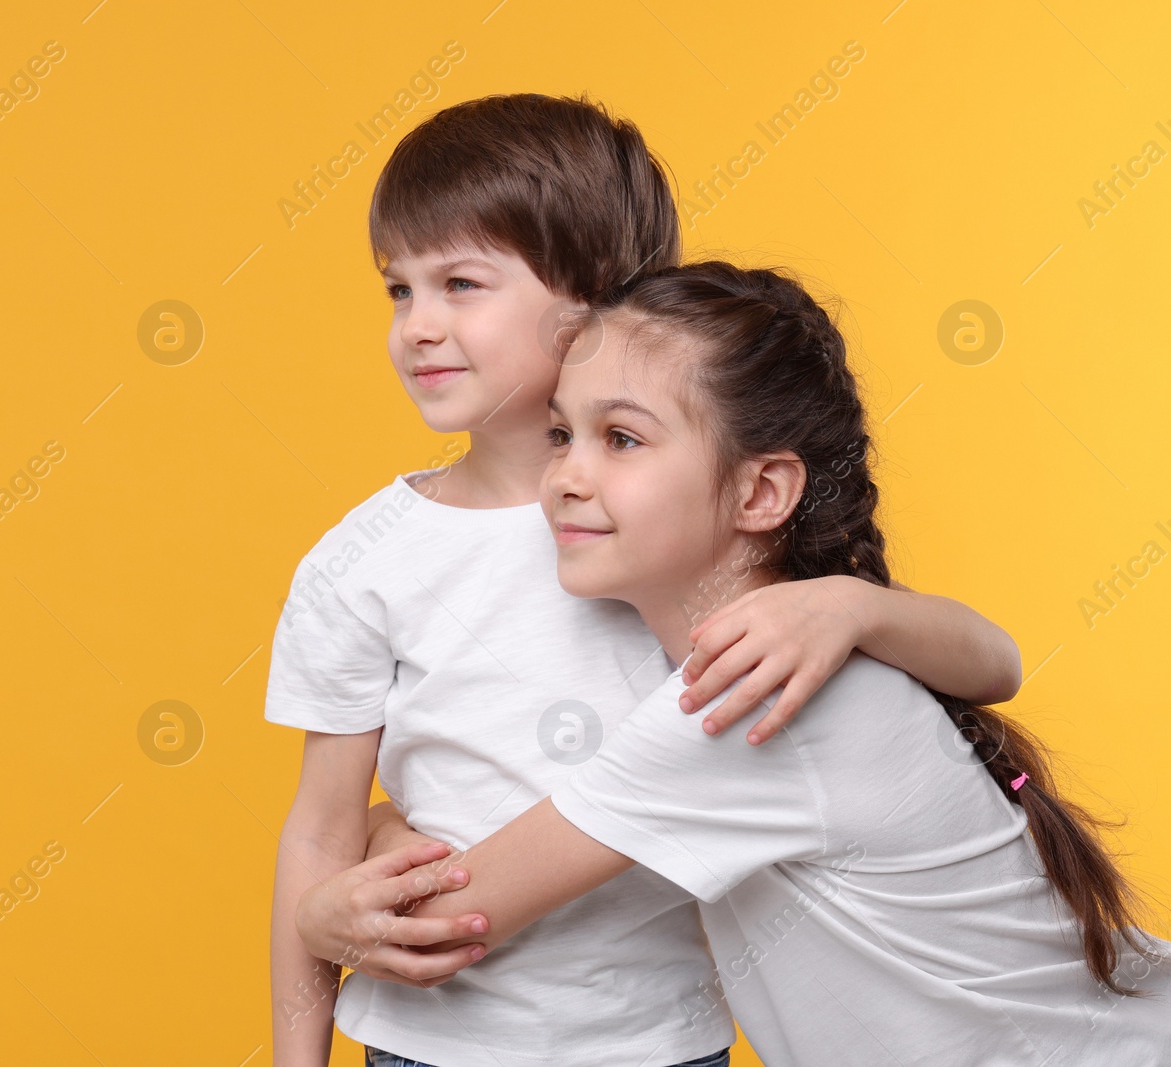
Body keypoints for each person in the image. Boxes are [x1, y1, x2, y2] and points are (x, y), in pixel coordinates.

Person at [267, 94, 1024, 1067]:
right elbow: (316, 830)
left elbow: (985, 662)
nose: (416, 325)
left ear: (589, 304)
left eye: (459, 282)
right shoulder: (365, 562)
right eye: (396, 289)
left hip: (651, 1039)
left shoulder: (665, 524)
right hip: (427, 1042)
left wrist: (849, 602)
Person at [309, 261, 1170, 1065]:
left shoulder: (740, 704)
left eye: (622, 439)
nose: (565, 476)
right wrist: (859, 602)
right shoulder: (823, 652)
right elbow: (997, 660)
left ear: (761, 493)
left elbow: (441, 923)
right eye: (561, 434)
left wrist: (354, 862)